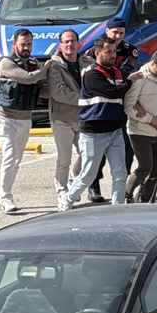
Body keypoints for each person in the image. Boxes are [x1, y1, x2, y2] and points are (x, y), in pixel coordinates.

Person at [58, 36, 135, 211]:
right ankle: (67, 199)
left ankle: (117, 210)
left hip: (115, 130)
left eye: (114, 51)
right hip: (93, 133)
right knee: (88, 174)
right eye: (108, 52)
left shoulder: (116, 72)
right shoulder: (92, 74)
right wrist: (130, 81)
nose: (112, 55)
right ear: (97, 53)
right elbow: (113, 92)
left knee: (120, 173)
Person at [0, 28, 49, 213]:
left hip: (25, 119)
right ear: (14, 44)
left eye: (29, 44)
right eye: (23, 44)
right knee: (9, 156)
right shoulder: (6, 63)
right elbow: (28, 78)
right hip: (4, 117)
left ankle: (5, 192)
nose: (26, 47)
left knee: (16, 160)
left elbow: (40, 87)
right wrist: (47, 67)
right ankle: (5, 196)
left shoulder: (33, 62)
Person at [86, 17, 138, 204]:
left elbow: (124, 74)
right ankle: (94, 187)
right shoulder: (94, 48)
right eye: (114, 32)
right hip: (100, 108)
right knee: (97, 152)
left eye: (121, 33)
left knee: (126, 150)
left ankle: (122, 188)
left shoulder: (130, 50)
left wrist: (102, 67)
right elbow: (89, 73)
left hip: (122, 104)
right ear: (107, 31)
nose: (118, 36)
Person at [123, 50, 157, 204]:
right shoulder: (140, 78)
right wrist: (150, 120)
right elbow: (128, 106)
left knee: (156, 171)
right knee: (145, 167)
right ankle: (126, 194)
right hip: (139, 131)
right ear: (152, 63)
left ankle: (145, 201)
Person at [46, 29, 90, 199]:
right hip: (61, 118)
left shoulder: (86, 64)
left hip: (84, 118)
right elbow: (58, 93)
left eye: (73, 41)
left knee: (87, 155)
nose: (70, 44)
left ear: (78, 43)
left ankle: (74, 180)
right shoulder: (55, 66)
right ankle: (61, 188)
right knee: (64, 158)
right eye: (66, 42)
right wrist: (84, 99)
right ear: (61, 45)